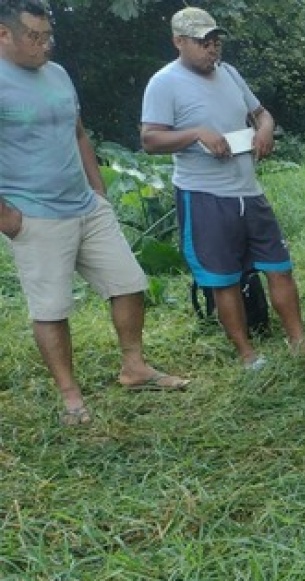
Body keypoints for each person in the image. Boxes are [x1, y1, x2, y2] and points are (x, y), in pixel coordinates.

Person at [1, 0, 188, 426]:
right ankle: (70, 395)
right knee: (52, 308)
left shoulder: (57, 74)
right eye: (35, 36)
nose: (45, 44)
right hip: (35, 215)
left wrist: (98, 191)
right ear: (3, 34)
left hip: (86, 206)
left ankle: (134, 367)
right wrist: (7, 218)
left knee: (129, 284)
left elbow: (78, 131)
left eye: (49, 35)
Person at [140, 7, 305, 370]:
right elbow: (149, 139)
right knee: (223, 278)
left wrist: (265, 129)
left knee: (279, 267)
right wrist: (196, 134)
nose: (212, 49)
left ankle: (299, 341)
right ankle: (247, 355)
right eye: (202, 42)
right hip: (205, 195)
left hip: (249, 190)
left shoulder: (229, 73)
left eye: (215, 41)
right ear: (178, 42)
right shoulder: (164, 82)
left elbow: (261, 113)